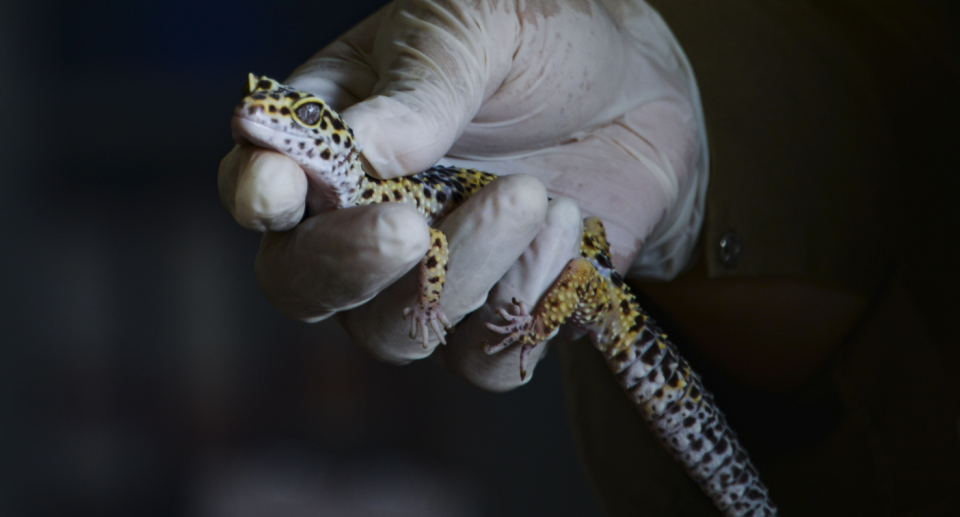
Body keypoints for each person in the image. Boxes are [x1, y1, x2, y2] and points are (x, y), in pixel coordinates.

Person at [219, 0, 960, 514]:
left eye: (293, 109)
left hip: (604, 286)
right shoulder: (362, 194)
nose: (270, 111)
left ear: (329, 134)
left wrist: (669, 101)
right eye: (266, 102)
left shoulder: (383, 175)